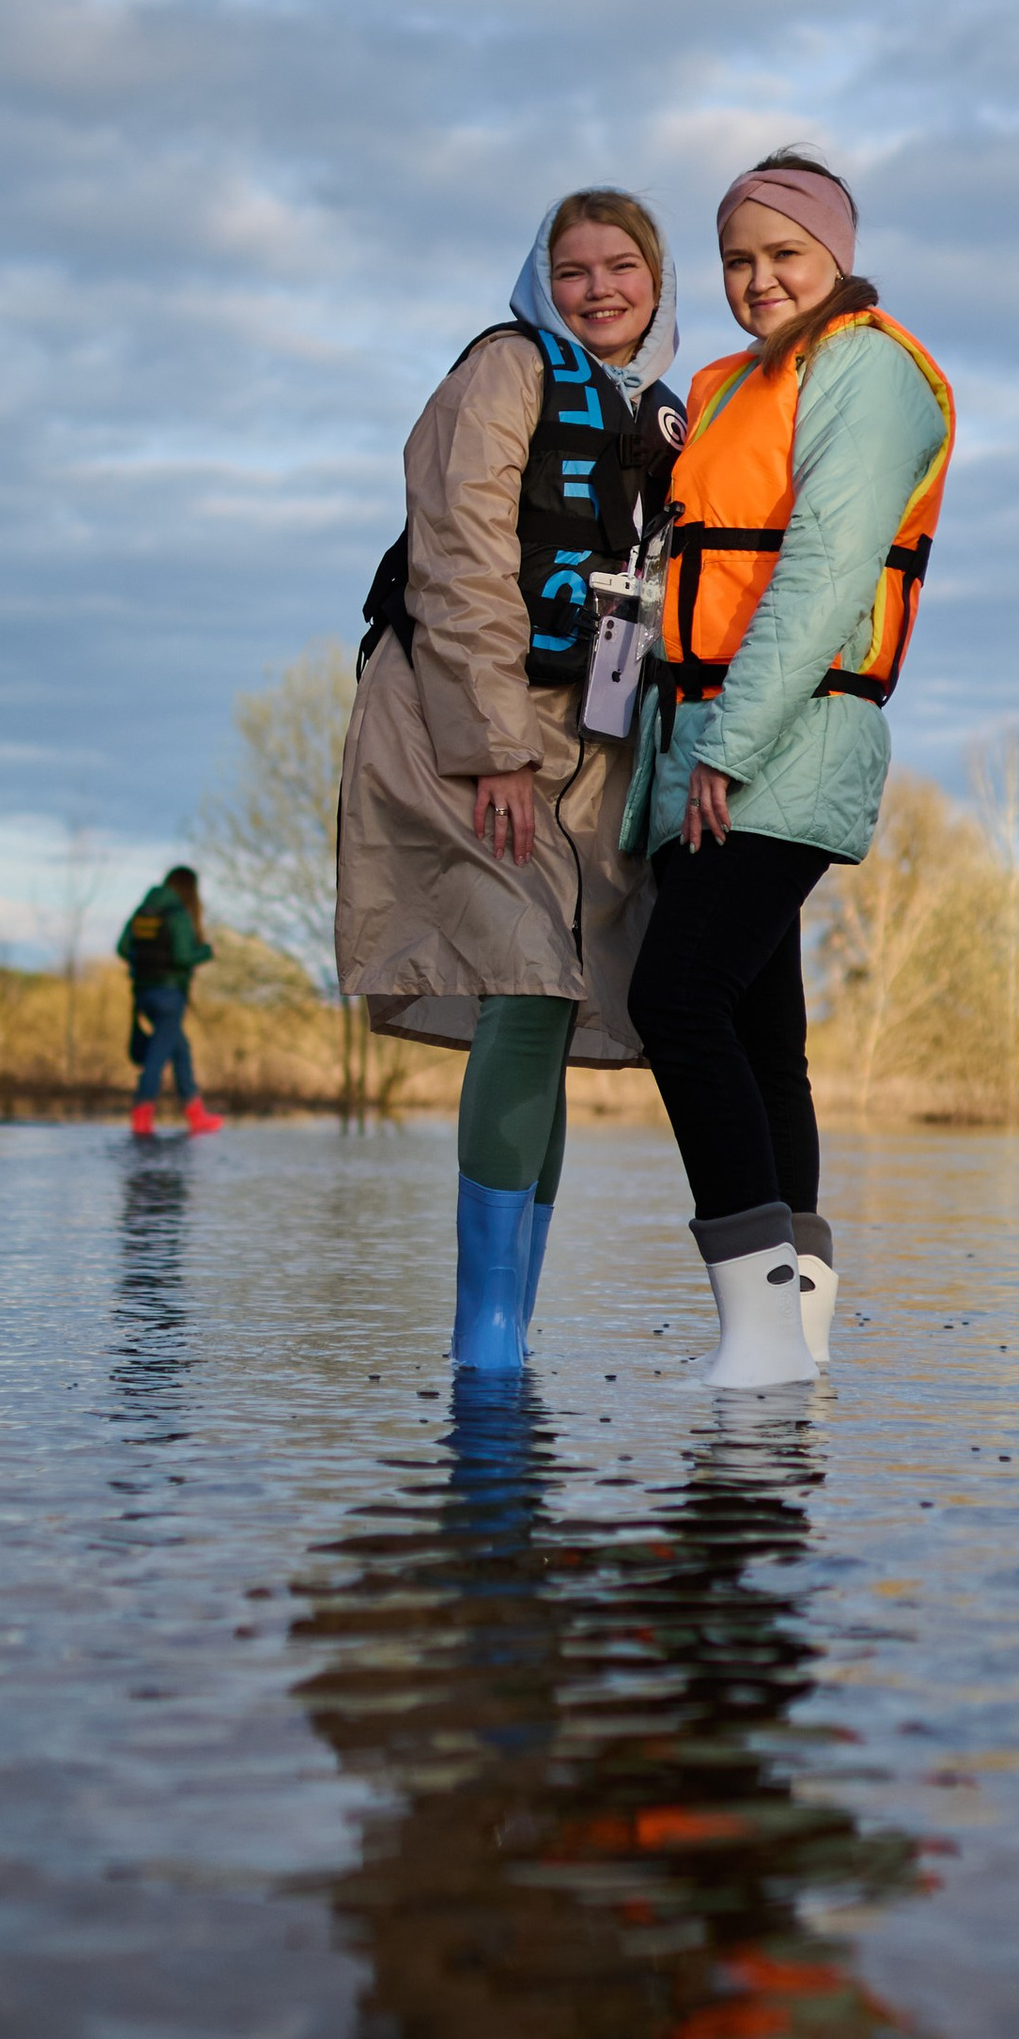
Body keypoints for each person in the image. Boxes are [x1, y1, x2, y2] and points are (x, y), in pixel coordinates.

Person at [337, 190, 685, 1367]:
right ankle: (483, 1343)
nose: (597, 287)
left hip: (578, 738)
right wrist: (494, 743)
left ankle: (509, 1337)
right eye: (572, 267)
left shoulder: (662, 411)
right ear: (541, 280)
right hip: (459, 714)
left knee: (540, 994)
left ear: (656, 278)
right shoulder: (505, 367)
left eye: (620, 265)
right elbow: (462, 547)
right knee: (528, 981)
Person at [624, 151, 954, 1388]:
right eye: (737, 260)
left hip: (781, 737)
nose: (759, 280)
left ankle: (758, 1340)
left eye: (785, 255)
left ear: (836, 257)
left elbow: (819, 572)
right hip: (712, 740)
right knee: (762, 1039)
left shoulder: (867, 368)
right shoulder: (728, 386)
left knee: (679, 1000)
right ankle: (792, 1346)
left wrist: (725, 745)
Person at [119, 864, 222, 1140]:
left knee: (180, 1050)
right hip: (169, 995)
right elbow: (182, 957)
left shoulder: (143, 911)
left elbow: (122, 947)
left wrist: (144, 965)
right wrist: (207, 952)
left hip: (143, 993)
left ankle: (196, 1114)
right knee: (157, 1057)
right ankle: (142, 1116)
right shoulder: (178, 915)